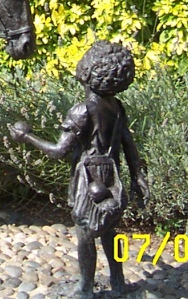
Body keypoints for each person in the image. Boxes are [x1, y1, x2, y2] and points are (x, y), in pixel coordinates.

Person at [9, 41, 150, 299]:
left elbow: (59, 151)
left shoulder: (82, 110)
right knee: (109, 229)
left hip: (88, 178)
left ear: (88, 71)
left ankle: (85, 289)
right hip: (111, 175)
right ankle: (117, 283)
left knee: (85, 232)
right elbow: (128, 145)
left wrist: (26, 137)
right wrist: (137, 176)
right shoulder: (117, 108)